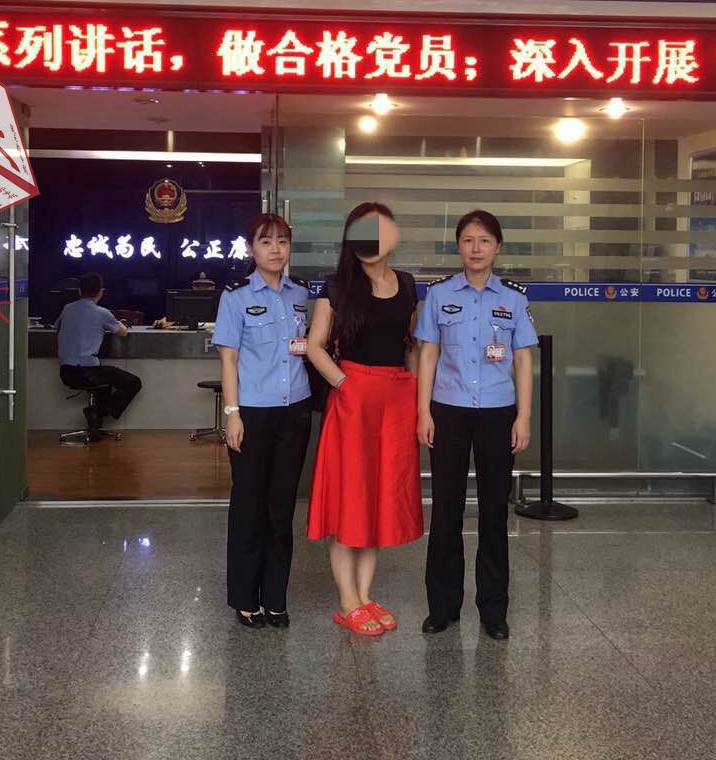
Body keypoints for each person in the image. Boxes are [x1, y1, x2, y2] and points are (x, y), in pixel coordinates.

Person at [415, 210, 536, 641]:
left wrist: (523, 416)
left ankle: (493, 610)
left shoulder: (514, 299)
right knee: (445, 511)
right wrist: (423, 411)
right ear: (458, 246)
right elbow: (428, 354)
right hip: (448, 410)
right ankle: (442, 607)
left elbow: (523, 359)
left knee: (493, 513)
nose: (476, 248)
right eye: (468, 240)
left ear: (497, 246)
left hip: (498, 412)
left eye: (484, 240)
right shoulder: (439, 294)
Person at [307, 202, 422, 637]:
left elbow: (411, 345)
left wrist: (418, 398)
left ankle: (366, 595)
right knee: (350, 498)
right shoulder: (336, 286)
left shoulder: (407, 284)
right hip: (353, 399)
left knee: (380, 498)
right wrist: (344, 384)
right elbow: (315, 345)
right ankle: (347, 601)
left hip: (396, 400)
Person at [212, 214, 312, 629]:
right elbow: (229, 359)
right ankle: (244, 598)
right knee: (249, 506)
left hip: (295, 411)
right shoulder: (235, 297)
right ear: (251, 248)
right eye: (266, 241)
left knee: (281, 507)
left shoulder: (301, 294)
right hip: (252, 412)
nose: (275, 249)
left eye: (283, 241)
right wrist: (232, 414)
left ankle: (275, 598)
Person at [56, 272, 141, 438]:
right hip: (87, 371)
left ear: (79, 291)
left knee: (105, 382)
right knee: (133, 382)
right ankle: (96, 413)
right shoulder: (102, 313)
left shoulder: (67, 309)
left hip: (66, 372)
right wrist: (117, 323)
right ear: (101, 292)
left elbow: (57, 327)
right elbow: (123, 332)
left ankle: (95, 423)